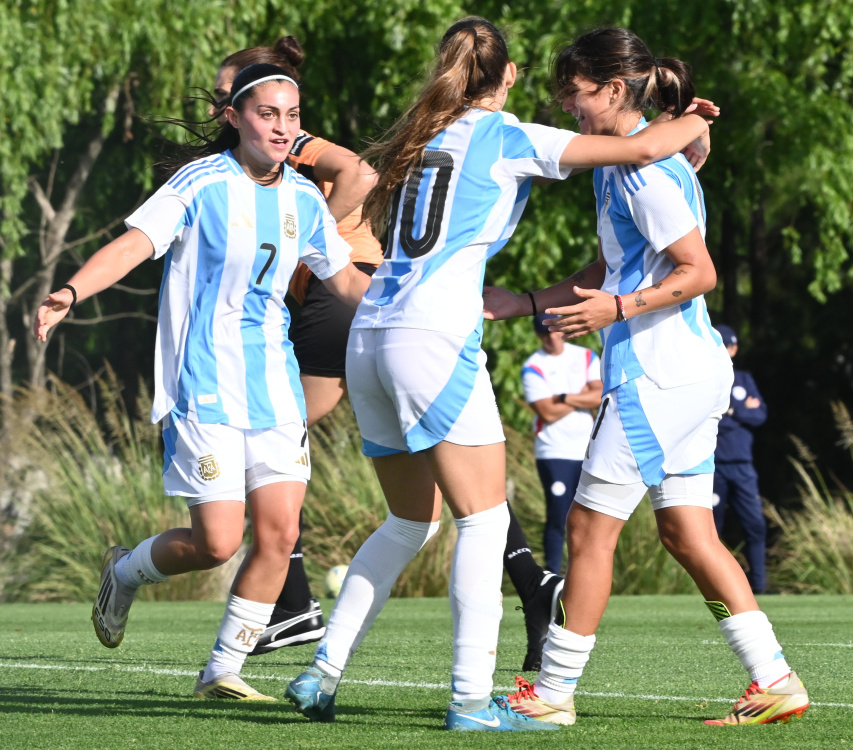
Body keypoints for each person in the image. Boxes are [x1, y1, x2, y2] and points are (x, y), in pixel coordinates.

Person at [284, 16, 717, 732]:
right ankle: (468, 701)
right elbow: (638, 145)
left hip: (373, 331)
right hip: (431, 334)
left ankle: (321, 673)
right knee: (484, 523)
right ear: (507, 76)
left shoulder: (423, 133)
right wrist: (692, 121)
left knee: (406, 521)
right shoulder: (507, 134)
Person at [483, 27, 808, 727]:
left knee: (587, 536)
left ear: (610, 88)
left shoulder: (641, 169)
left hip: (657, 379)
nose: (568, 109)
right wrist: (530, 302)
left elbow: (700, 272)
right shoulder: (624, 165)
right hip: (687, 377)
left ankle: (549, 694)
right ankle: (775, 680)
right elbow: (610, 267)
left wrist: (618, 309)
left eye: (573, 96)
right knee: (689, 536)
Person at [33, 63, 370, 701]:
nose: (281, 126)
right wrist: (72, 290)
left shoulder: (303, 198)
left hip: (275, 384)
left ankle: (221, 671)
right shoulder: (201, 182)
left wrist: (412, 312)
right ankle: (125, 572)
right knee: (218, 542)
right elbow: (135, 244)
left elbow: (346, 279)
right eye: (267, 114)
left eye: (291, 116)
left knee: (281, 534)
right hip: (204, 381)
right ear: (234, 118)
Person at [211, 36, 383, 657]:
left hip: (338, 288)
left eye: (228, 94)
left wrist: (298, 245)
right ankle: (292, 599)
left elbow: (362, 173)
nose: (220, 106)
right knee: (285, 441)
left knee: (273, 437)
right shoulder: (252, 154)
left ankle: (293, 601)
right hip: (346, 289)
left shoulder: (287, 146)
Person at [522, 314, 602, 574]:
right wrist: (582, 397)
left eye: (555, 331)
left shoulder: (586, 356)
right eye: (546, 334)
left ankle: (584, 572)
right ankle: (553, 575)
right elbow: (547, 413)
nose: (552, 338)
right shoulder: (533, 366)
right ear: (539, 336)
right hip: (553, 451)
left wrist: (564, 397)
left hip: (587, 449)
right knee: (558, 516)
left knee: (590, 517)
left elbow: (600, 395)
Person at [712, 324, 769, 594]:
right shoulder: (703, 378)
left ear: (733, 349)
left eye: (725, 345)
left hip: (742, 465)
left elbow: (760, 416)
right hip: (713, 466)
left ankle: (759, 585)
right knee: (710, 530)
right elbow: (705, 420)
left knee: (754, 525)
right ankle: (714, 589)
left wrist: (730, 411)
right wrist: (739, 411)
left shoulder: (744, 379)